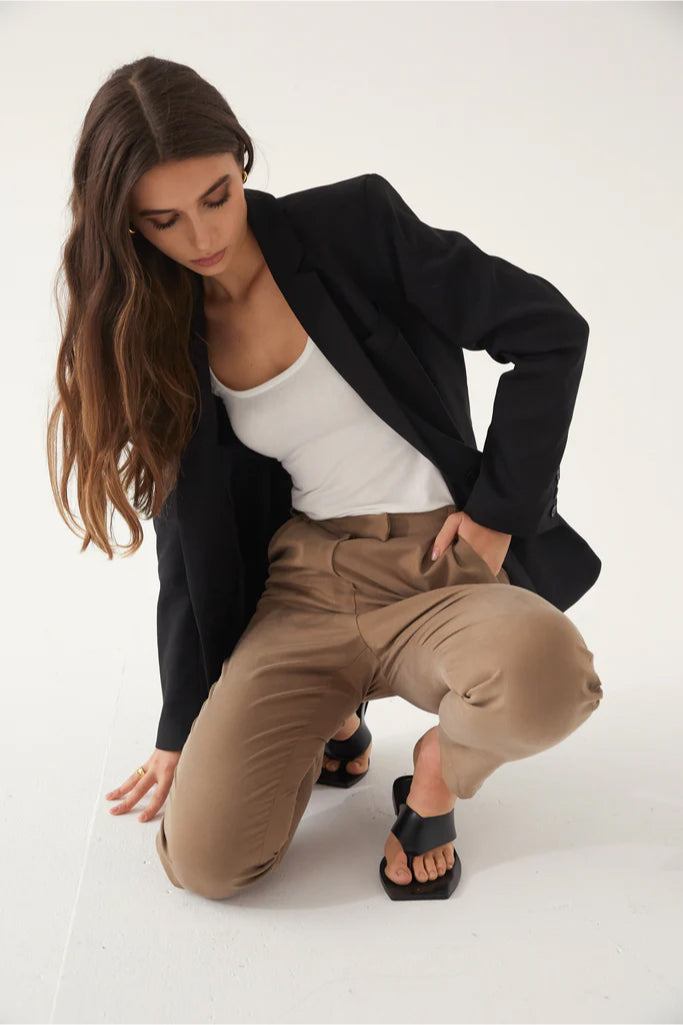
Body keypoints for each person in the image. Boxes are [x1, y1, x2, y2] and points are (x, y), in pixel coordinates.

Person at [47, 55, 604, 902]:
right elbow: (185, 539)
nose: (201, 238)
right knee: (203, 863)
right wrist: (181, 722)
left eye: (215, 197)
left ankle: (432, 780)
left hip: (440, 566)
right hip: (305, 585)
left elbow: (549, 330)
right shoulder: (157, 336)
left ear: (241, 162)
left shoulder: (352, 227)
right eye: (162, 220)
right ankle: (336, 720)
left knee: (549, 679)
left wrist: (498, 512)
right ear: (126, 225)